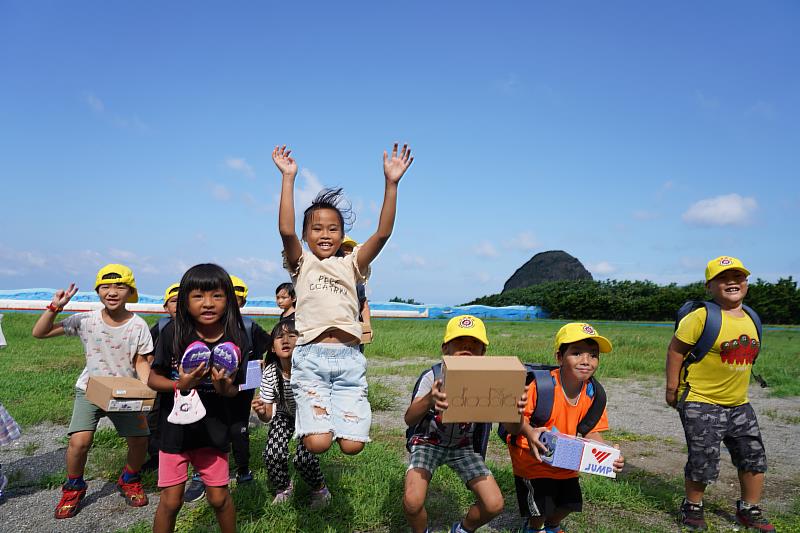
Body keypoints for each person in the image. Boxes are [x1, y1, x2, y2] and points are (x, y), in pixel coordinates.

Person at [273, 142, 413, 456]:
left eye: (333, 229)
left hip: (349, 360)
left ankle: (338, 420)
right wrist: (288, 177)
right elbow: (285, 230)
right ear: (306, 235)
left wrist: (391, 184)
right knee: (318, 443)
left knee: (352, 446)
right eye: (317, 228)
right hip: (310, 359)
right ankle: (315, 423)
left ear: (342, 234)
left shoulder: (352, 265)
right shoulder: (303, 264)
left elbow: (382, 234)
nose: (325, 234)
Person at [32, 264, 153, 519]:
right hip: (90, 389)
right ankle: (73, 487)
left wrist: (146, 388)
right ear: (98, 290)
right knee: (79, 442)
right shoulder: (86, 319)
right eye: (105, 286)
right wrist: (56, 307)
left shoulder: (138, 325)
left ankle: (129, 478)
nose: (112, 292)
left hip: (125, 392)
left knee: (140, 440)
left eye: (120, 286)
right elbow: (39, 333)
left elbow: (142, 361)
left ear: (130, 291)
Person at [666, 256, 775, 532]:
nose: (732, 282)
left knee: (753, 455)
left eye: (738, 277)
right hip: (701, 400)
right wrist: (672, 388)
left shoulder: (751, 317)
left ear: (746, 284)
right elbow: (676, 350)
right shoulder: (701, 317)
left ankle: (749, 508)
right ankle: (692, 506)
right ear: (709, 286)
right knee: (703, 457)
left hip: (739, 403)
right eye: (723, 278)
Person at [147, 264, 247, 533]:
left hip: (214, 429)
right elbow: (152, 379)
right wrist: (181, 384)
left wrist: (223, 387)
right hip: (175, 430)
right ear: (185, 301)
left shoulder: (236, 338)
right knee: (171, 500)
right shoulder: (172, 332)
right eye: (198, 296)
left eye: (217, 295)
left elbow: (236, 390)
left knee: (219, 497)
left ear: (229, 299)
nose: (208, 304)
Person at [503, 323, 624, 533]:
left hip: (566, 458)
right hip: (533, 458)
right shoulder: (540, 386)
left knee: (570, 503)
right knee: (540, 507)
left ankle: (552, 525)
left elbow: (591, 430)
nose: (586, 361)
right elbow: (513, 423)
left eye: (593, 355)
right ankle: (534, 528)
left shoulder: (594, 393)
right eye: (576, 353)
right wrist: (528, 431)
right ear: (559, 357)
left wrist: (607, 455)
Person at [403, 315, 505, 533]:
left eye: (474, 344)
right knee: (412, 502)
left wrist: (514, 407)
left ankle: (463, 529)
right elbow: (409, 418)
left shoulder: (488, 380)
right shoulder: (433, 376)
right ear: (445, 348)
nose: (467, 347)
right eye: (459, 342)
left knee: (494, 503)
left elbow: (507, 423)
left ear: (483, 353)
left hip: (463, 448)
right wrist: (429, 399)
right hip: (427, 443)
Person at [251, 319, 330, 507]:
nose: (285, 340)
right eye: (279, 337)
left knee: (303, 458)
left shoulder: (312, 369)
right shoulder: (271, 372)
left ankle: (320, 489)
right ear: (272, 348)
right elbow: (268, 415)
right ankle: (284, 487)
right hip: (285, 415)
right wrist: (262, 411)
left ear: (302, 342)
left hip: (310, 416)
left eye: (292, 336)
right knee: (272, 453)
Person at [142, 282, 180, 473]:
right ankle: (156, 455)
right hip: (162, 382)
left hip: (187, 383)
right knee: (155, 417)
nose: (178, 305)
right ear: (165, 307)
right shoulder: (161, 326)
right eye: (173, 301)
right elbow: (147, 350)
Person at [339, 235, 373, 350]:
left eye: (350, 248)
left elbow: (363, 304)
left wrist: (367, 326)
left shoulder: (357, 281)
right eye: (344, 247)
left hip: (354, 331)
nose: (347, 251)